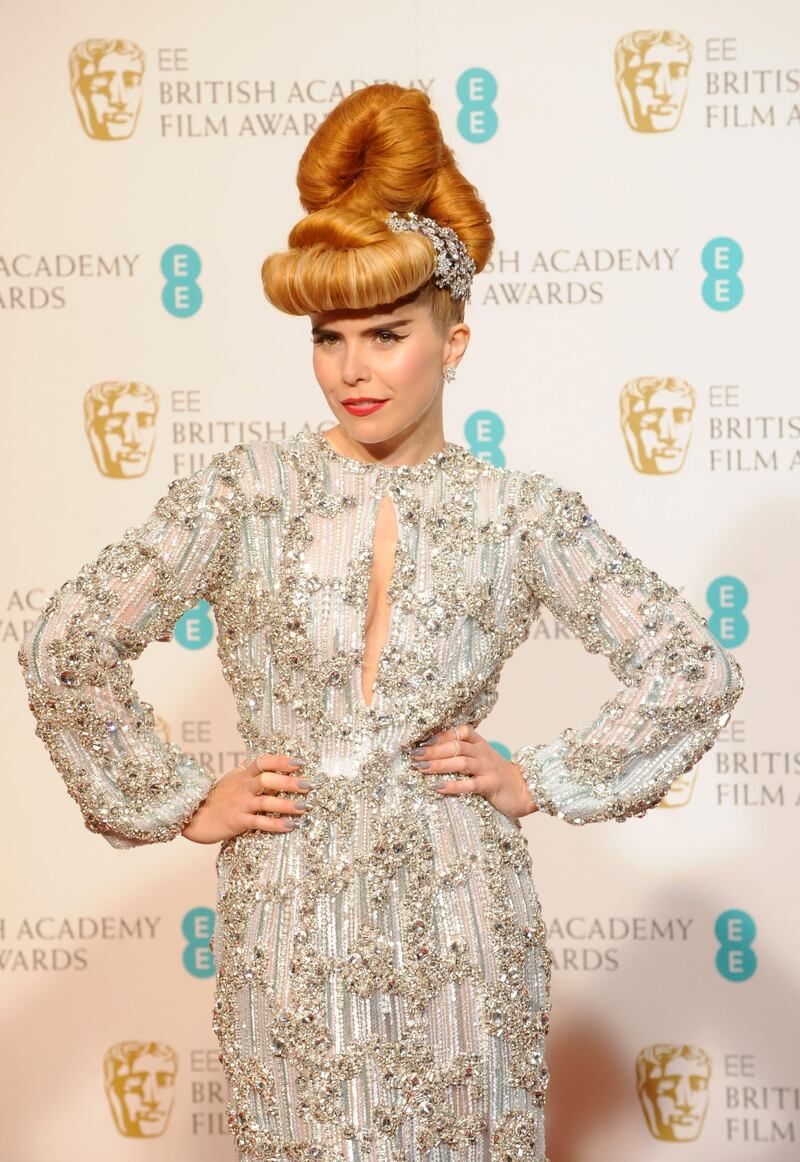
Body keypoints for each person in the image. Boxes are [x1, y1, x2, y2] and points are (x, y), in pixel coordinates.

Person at [18, 83, 744, 1162]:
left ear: (451, 341)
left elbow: (689, 664)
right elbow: (65, 638)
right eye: (328, 337)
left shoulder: (517, 513)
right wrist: (178, 797)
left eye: (387, 333)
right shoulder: (245, 492)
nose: (352, 368)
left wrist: (537, 774)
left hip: (462, 915)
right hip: (288, 912)